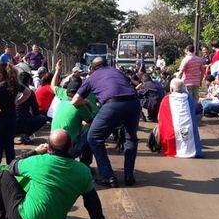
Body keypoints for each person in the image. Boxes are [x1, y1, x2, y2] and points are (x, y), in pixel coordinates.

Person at [0, 129, 107, 219]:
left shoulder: (39, 162)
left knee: (2, 175)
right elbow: (94, 207)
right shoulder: (83, 171)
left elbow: (12, 167)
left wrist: (35, 152)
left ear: (49, 148)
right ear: (71, 146)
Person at [71, 57, 141, 187]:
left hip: (113, 105)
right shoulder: (117, 72)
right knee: (130, 138)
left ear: (92, 68)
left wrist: (86, 102)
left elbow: (74, 101)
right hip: (134, 103)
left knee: (93, 137)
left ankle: (108, 177)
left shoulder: (91, 77)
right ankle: (129, 176)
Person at [0, 63, 31, 165]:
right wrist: (17, 102)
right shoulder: (14, 84)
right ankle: (11, 171)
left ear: (0, 75)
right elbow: (27, 92)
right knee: (10, 147)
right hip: (11, 117)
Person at [51, 77, 93, 167]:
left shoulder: (61, 103)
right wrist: (88, 105)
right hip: (68, 150)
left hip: (53, 146)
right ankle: (85, 165)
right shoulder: (80, 107)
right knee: (92, 132)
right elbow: (92, 123)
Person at [157, 78, 203, 158]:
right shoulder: (189, 98)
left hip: (172, 136)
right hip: (189, 132)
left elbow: (160, 117)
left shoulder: (166, 99)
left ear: (171, 89)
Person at [16, 72, 46, 145]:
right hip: (22, 121)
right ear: (29, 81)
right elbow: (35, 111)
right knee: (42, 118)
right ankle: (25, 134)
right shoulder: (30, 92)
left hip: (8, 121)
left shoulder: (12, 90)